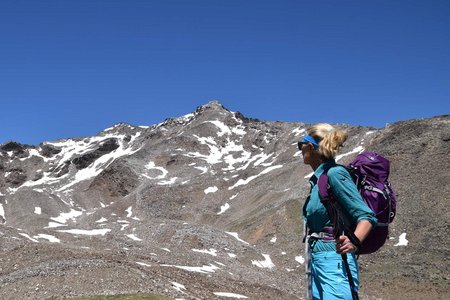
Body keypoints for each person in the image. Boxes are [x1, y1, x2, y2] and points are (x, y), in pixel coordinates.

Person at [299, 123, 377, 300]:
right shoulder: (319, 179)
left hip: (335, 260)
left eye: (300, 144)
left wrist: (353, 241)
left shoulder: (335, 174)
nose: (300, 149)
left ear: (310, 146)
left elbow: (366, 215)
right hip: (319, 259)